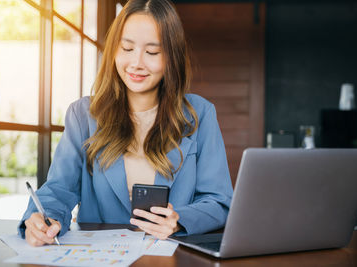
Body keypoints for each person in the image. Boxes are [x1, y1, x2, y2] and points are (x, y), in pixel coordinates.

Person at [19, 0, 233, 247]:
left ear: (171, 57)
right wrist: (42, 219)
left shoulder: (199, 114)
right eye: (127, 48)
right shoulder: (83, 114)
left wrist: (179, 220)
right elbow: (58, 190)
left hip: (171, 258)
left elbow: (219, 201)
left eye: (152, 52)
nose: (136, 63)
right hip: (99, 257)